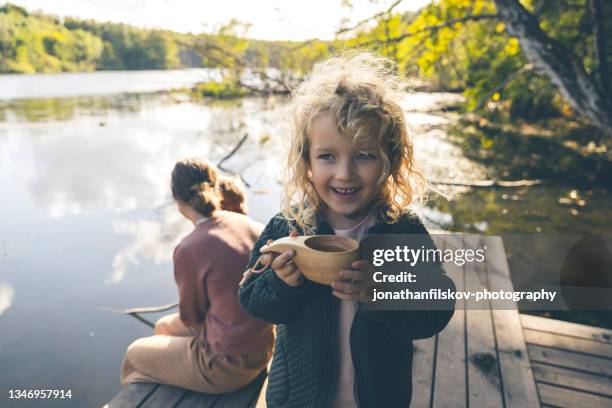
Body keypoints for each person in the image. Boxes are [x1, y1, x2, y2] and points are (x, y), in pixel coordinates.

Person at [238, 52, 456, 407]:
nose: (344, 173)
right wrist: (282, 282)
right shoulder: (289, 226)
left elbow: (436, 309)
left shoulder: (403, 230)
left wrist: (383, 293)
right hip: (299, 399)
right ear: (306, 161)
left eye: (364, 155)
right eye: (327, 156)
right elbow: (251, 298)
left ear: (392, 160)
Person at [120, 158, 274, 393]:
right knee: (162, 326)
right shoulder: (249, 224)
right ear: (215, 186)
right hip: (263, 348)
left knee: (135, 355)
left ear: (176, 198)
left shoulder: (189, 249)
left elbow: (192, 315)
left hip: (227, 367)